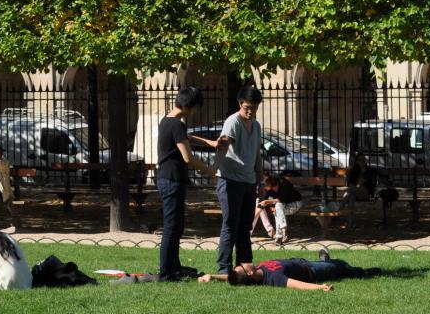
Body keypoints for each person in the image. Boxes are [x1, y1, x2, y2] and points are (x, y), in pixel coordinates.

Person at [155, 86, 218, 281]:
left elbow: (187, 137)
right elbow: (188, 157)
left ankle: (174, 267)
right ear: (191, 106)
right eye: (197, 107)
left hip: (169, 179)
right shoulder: (176, 124)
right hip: (171, 180)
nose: (196, 111)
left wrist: (211, 143)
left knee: (177, 226)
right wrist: (211, 171)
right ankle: (167, 272)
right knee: (172, 227)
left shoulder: (168, 121)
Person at [214, 85, 264, 274]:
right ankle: (224, 269)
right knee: (230, 225)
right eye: (247, 108)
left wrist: (261, 181)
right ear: (240, 104)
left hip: (249, 182)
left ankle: (245, 266)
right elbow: (223, 146)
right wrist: (214, 169)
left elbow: (257, 155)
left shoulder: (256, 126)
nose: (251, 111)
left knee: (245, 227)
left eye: (254, 108)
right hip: (230, 180)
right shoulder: (232, 122)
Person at [198, 251, 381, 289]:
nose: (243, 262)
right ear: (250, 273)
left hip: (303, 262)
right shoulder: (273, 278)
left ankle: (325, 260)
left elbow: (233, 277)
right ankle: (367, 272)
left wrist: (212, 276)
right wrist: (320, 287)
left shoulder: (257, 270)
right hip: (313, 271)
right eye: (242, 265)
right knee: (341, 266)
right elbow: (298, 285)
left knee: (334, 264)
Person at [253, 173, 302, 245]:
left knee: (278, 207)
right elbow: (267, 200)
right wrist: (271, 206)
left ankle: (280, 235)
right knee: (277, 208)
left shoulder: (284, 184)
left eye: (265, 185)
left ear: (270, 184)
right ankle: (282, 232)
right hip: (281, 207)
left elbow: (282, 199)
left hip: (294, 204)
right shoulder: (270, 190)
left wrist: (267, 202)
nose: (264, 187)